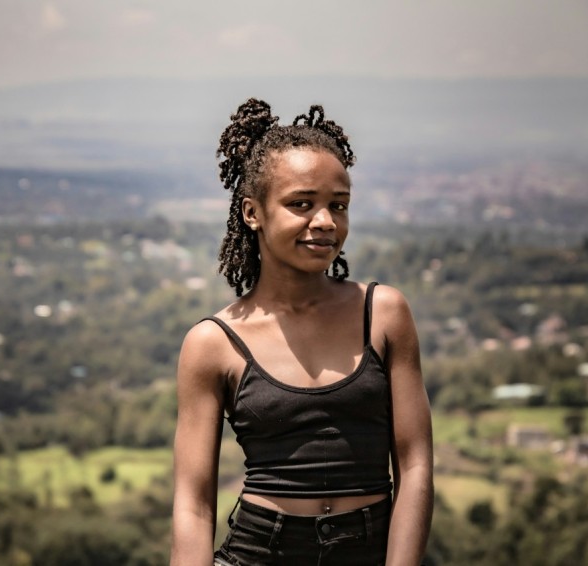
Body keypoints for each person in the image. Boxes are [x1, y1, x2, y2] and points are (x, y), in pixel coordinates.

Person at [171, 98, 433, 566]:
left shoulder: (384, 314)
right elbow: (193, 505)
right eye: (301, 204)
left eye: (339, 205)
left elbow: (415, 466)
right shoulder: (212, 344)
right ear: (252, 212)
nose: (326, 221)